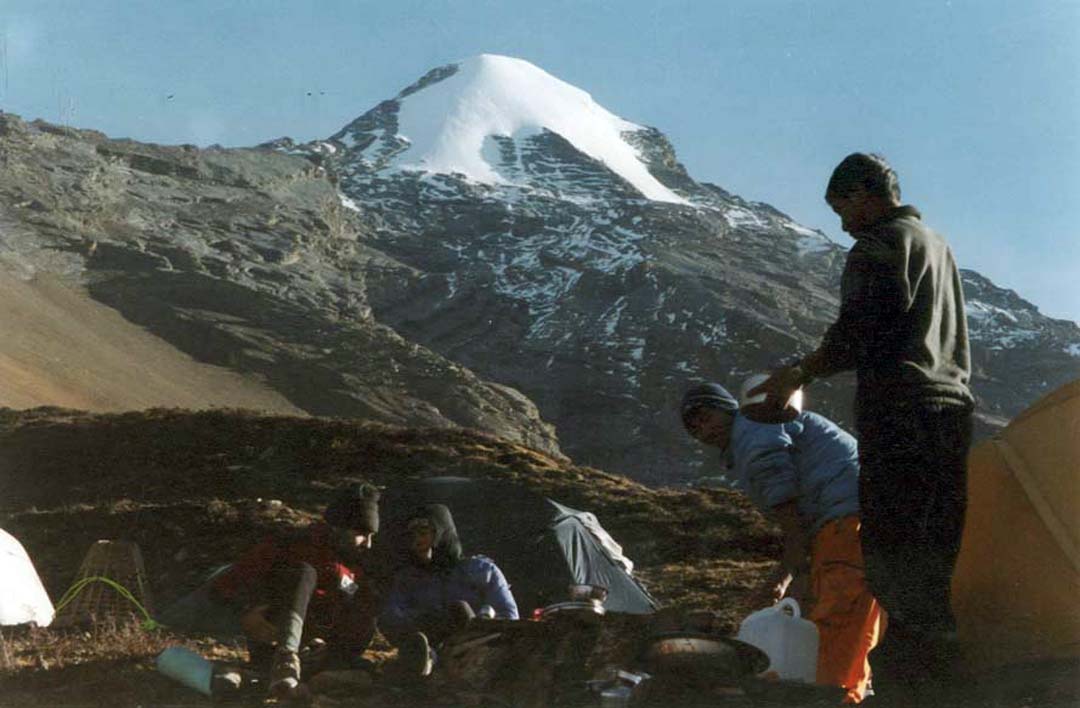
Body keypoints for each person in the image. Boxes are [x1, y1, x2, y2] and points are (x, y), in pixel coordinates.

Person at [750, 153, 975, 693]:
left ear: (865, 194)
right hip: (952, 414)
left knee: (893, 566)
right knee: (933, 564)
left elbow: (861, 328)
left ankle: (908, 693)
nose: (843, 223)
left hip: (900, 414)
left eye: (841, 208)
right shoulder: (936, 245)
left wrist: (801, 371)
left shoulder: (876, 246)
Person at [682, 381, 883, 703]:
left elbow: (776, 480)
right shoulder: (758, 429)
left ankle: (828, 698)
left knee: (837, 615)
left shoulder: (754, 425)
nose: (702, 431)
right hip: (861, 516)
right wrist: (790, 571)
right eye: (693, 429)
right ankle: (846, 695)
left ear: (728, 407)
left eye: (706, 417)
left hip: (845, 519)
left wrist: (786, 570)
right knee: (858, 623)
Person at [158, 484, 381, 698]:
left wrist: (325, 643)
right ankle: (285, 662)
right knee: (304, 573)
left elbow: (358, 611)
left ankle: (282, 679)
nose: (368, 544)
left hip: (312, 646)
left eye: (372, 536)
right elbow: (228, 583)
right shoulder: (291, 545)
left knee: (364, 613)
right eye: (361, 533)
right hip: (270, 631)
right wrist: (246, 612)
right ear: (337, 526)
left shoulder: (351, 568)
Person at [379, 503, 518, 677]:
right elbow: (390, 614)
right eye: (412, 536)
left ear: (442, 535)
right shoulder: (409, 578)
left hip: (476, 641)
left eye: (423, 534)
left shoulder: (481, 571)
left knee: (460, 610)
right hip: (429, 639)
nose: (417, 541)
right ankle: (425, 660)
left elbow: (508, 614)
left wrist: (478, 622)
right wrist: (423, 620)